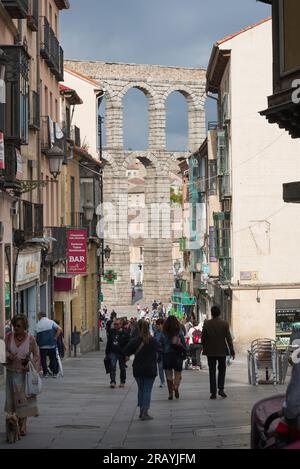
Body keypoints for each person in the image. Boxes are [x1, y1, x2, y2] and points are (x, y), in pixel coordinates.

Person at [5, 314, 40, 436]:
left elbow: (36, 355)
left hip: (23, 374)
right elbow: (3, 350)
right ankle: (12, 424)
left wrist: (30, 364)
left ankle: (23, 425)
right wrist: (8, 355)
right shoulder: (9, 337)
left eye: (18, 326)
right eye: (14, 325)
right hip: (10, 373)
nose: (15, 328)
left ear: (24, 326)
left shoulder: (30, 339)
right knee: (11, 401)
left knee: (22, 401)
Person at [124, 320, 159, 420]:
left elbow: (126, 352)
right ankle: (144, 411)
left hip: (138, 369)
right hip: (150, 369)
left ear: (138, 328)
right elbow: (160, 350)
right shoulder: (153, 341)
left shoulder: (135, 341)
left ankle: (141, 410)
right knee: (147, 390)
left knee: (141, 389)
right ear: (149, 328)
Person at [202, 305, 235, 400]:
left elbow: (203, 338)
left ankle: (213, 392)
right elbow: (228, 338)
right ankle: (221, 389)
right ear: (219, 313)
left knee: (212, 371)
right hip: (222, 351)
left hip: (210, 351)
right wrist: (232, 350)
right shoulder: (224, 324)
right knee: (222, 370)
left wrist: (205, 347)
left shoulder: (207, 324)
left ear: (211, 313)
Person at [160, 316, 187, 400]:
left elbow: (160, 344)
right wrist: (185, 352)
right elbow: (183, 343)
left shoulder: (163, 332)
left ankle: (170, 394)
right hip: (177, 355)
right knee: (178, 373)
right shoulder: (179, 331)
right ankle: (175, 386)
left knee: (168, 375)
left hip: (167, 355)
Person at [35, 312, 62, 378]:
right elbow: (59, 329)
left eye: (38, 316)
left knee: (43, 359)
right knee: (53, 358)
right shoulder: (51, 322)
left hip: (42, 345)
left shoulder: (38, 324)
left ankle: (45, 373)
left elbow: (35, 336)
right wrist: (55, 337)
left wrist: (38, 342)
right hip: (51, 344)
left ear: (40, 316)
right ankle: (55, 373)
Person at [105, 318, 130, 388]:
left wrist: (127, 355)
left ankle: (122, 382)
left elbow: (128, 345)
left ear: (121, 325)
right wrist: (107, 353)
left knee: (122, 368)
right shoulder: (111, 332)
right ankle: (113, 382)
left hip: (122, 353)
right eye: (114, 324)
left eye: (117, 324)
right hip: (113, 352)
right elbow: (109, 343)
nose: (115, 326)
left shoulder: (125, 333)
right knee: (112, 367)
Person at [153, 318, 165, 388]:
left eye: (158, 325)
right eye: (156, 325)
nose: (157, 326)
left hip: (166, 352)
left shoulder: (166, 332)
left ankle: (169, 380)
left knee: (167, 368)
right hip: (159, 352)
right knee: (160, 367)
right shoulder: (156, 333)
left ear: (162, 325)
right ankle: (162, 381)